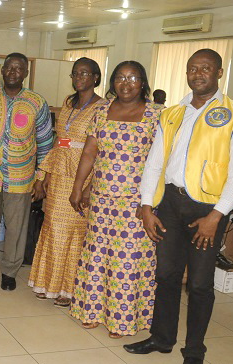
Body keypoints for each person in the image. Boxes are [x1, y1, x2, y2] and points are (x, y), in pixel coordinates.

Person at [124, 49, 233, 364]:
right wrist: (145, 205)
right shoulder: (172, 113)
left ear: (219, 73)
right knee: (165, 275)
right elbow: (155, 162)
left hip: (207, 209)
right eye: (192, 68)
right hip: (170, 203)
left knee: (199, 284)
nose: (198, 74)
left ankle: (194, 352)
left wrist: (217, 216)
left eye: (205, 69)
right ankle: (161, 338)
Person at [68, 61, 161, 339]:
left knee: (127, 259)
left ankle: (122, 319)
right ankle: (92, 311)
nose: (126, 83)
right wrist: (78, 186)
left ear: (143, 81)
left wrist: (151, 202)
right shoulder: (102, 110)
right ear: (111, 81)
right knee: (97, 254)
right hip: (102, 198)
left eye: (133, 77)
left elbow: (162, 162)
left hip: (137, 201)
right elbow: (89, 152)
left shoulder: (157, 114)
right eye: (120, 77)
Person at [27, 57, 105, 307]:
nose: (79, 77)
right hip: (59, 173)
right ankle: (47, 283)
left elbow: (100, 150)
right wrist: (44, 176)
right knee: (51, 228)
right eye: (75, 73)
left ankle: (68, 289)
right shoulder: (68, 103)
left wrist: (86, 188)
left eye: (85, 73)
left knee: (72, 233)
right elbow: (58, 143)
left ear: (95, 77)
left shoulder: (104, 107)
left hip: (82, 175)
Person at [0, 52, 53, 291]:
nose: (13, 72)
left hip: (21, 177)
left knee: (16, 227)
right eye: (9, 68)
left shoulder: (37, 102)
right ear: (2, 70)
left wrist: (41, 178)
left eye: (18, 69)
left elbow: (46, 143)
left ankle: (9, 271)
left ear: (25, 73)